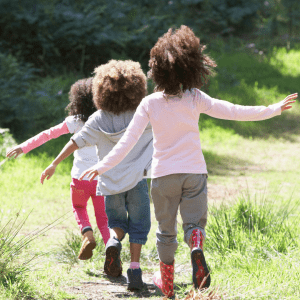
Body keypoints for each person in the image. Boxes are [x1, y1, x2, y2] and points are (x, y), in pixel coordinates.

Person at [78, 26, 297, 298]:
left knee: (165, 233)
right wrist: (273, 109)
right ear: (192, 67)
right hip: (194, 173)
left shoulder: (149, 103)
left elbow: (127, 142)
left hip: (162, 177)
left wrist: (103, 166)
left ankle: (167, 285)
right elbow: (234, 111)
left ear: (156, 68)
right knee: (194, 224)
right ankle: (195, 243)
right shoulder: (195, 98)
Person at [40, 60, 153, 291]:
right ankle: (134, 271)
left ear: (101, 90)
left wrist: (53, 163)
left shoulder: (98, 118)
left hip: (109, 183)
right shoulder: (141, 115)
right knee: (139, 226)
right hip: (137, 182)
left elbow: (74, 142)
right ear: (136, 87)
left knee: (117, 224)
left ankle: (112, 243)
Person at [6, 78, 110, 260]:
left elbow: (48, 134)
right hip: (101, 178)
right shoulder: (106, 120)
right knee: (103, 218)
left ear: (78, 100)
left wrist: (23, 147)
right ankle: (112, 253)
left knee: (78, 206)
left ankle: (87, 234)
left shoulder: (76, 122)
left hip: (80, 178)